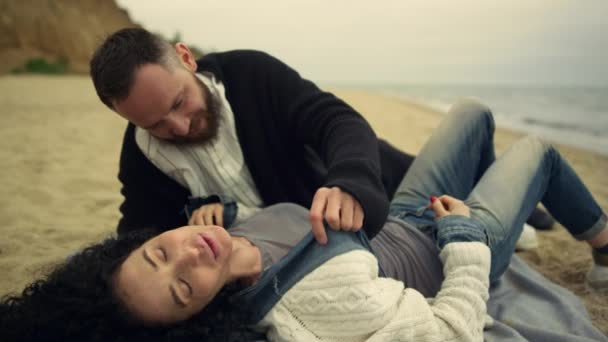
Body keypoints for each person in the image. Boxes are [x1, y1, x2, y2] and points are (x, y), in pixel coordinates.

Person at [2, 100, 605, 341]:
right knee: (543, 153)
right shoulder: (312, 305)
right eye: (183, 288)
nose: (189, 254)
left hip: (398, 215)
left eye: (159, 253)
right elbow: (451, 332)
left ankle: (508, 204)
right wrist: (468, 241)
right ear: (201, 314)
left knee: (472, 114)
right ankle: (600, 247)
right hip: (449, 245)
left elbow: (280, 219)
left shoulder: (225, 234)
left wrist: (230, 213)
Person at [89, 28, 553, 244]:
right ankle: (516, 203)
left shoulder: (251, 73)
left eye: (178, 104)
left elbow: (338, 121)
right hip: (338, 234)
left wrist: (349, 179)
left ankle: (525, 206)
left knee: (466, 163)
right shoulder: (143, 154)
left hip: (375, 176)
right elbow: (140, 234)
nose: (178, 127)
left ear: (187, 59)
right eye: (154, 124)